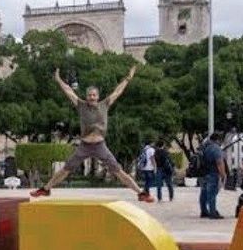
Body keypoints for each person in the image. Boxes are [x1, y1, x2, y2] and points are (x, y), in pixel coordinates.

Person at [30, 66, 154, 202]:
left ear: (98, 96)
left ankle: (141, 193)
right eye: (89, 95)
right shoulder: (81, 105)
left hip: (100, 146)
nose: (92, 97)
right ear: (86, 96)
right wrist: (59, 80)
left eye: (94, 95)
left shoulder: (105, 104)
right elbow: (69, 91)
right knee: (66, 169)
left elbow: (118, 91)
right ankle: (45, 189)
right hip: (84, 146)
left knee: (118, 171)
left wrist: (129, 77)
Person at [199, 133, 226, 219]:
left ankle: (204, 211)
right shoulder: (216, 148)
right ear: (218, 140)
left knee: (203, 193)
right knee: (212, 194)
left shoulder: (205, 147)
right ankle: (213, 212)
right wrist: (223, 175)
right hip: (213, 174)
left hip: (204, 173)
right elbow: (219, 162)